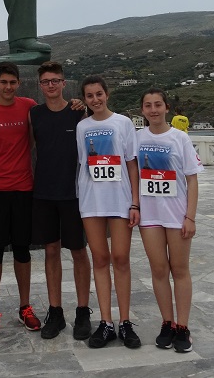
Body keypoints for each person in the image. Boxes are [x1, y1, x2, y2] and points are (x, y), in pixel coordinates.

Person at [0, 62, 40, 339]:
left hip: (23, 187)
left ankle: (25, 307)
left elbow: (35, 138)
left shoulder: (29, 106)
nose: (8, 87)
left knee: (22, 250)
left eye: (13, 82)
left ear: (19, 83)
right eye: (4, 82)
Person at [75, 76, 141, 349]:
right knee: (100, 259)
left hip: (119, 200)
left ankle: (125, 322)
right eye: (89, 96)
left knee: (121, 259)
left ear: (107, 94)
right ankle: (106, 322)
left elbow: (132, 164)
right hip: (92, 200)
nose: (95, 100)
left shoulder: (123, 123)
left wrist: (135, 202)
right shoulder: (82, 126)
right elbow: (83, 163)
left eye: (99, 94)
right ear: (85, 99)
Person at [137, 89, 204, 354]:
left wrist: (190, 217)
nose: (153, 110)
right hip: (150, 215)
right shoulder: (137, 138)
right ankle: (167, 323)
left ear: (167, 108)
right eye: (148, 105)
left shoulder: (180, 138)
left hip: (177, 215)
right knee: (158, 270)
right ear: (142, 110)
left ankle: (183, 327)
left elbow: (192, 179)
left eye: (158, 105)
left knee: (180, 270)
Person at [29, 61, 93, 341]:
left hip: (73, 193)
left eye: (55, 80)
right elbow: (28, 148)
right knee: (51, 251)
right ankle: (55, 312)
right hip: (44, 192)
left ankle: (82, 311)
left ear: (64, 83)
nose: (51, 85)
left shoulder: (78, 112)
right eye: (46, 81)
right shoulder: (35, 114)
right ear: (40, 85)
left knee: (79, 251)